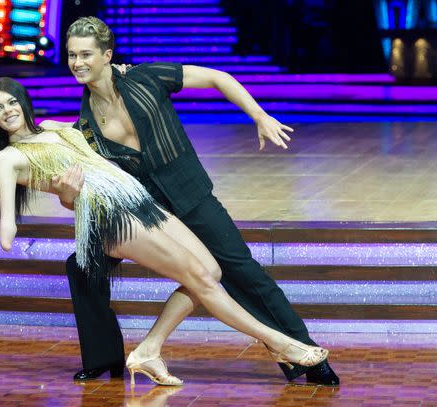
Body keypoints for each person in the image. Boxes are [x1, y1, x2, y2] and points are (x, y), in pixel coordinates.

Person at [0, 77, 329, 386]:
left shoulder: (53, 126)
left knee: (212, 270)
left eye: (11, 102)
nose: (8, 110)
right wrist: (41, 210)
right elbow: (12, 223)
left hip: (138, 201)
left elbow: (96, 136)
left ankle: (149, 350)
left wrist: (120, 76)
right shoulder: (6, 158)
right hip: (107, 218)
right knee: (201, 279)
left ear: (23, 102)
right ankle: (283, 345)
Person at [57, 16, 340, 386]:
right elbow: (84, 188)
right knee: (82, 264)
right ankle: (104, 357)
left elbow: (218, 78)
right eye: (71, 55)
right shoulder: (84, 126)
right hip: (150, 214)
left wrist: (258, 114)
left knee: (243, 272)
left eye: (86, 54)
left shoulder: (146, 77)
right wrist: (68, 192)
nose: (77, 62)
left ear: (107, 55)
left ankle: (302, 353)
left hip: (192, 195)